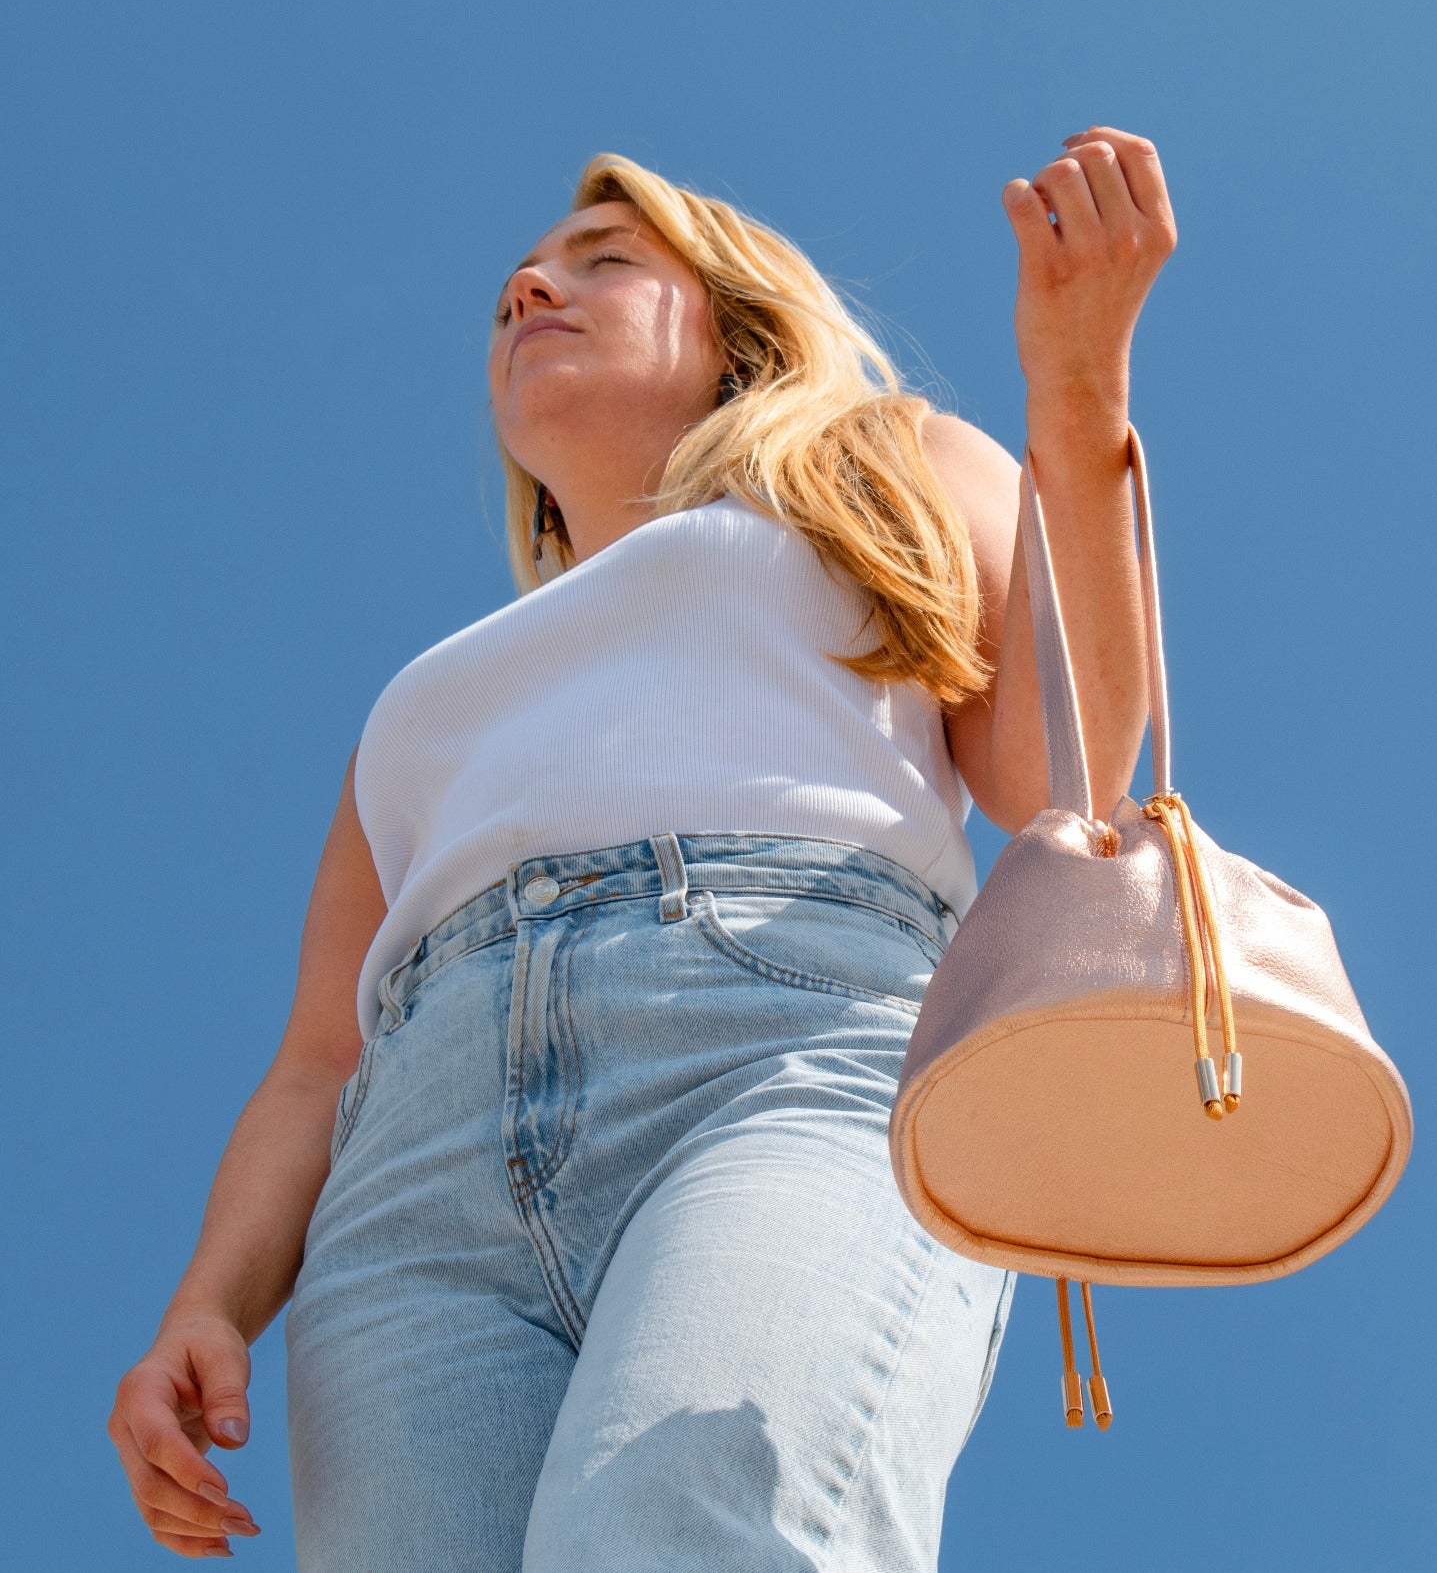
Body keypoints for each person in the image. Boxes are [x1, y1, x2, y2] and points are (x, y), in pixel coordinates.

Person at [108, 126, 1177, 1568]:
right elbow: (316, 1062)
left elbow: (1074, 777)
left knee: (686, 1532)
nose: (532, 292)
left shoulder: (887, 466)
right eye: (512, 293)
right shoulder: (420, 704)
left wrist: (1077, 389)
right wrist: (210, 1305)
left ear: (738, 323)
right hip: (412, 1187)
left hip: (785, 1050)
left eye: (604, 263)